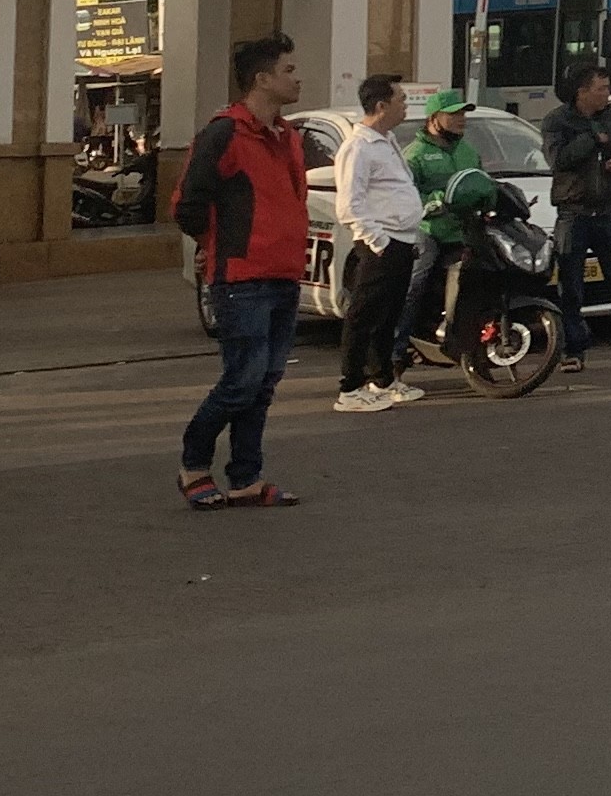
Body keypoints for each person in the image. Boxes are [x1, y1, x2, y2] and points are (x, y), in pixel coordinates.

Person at [174, 33, 313, 507]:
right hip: (241, 278)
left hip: (283, 274)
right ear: (262, 79)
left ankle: (246, 476)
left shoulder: (289, 136)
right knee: (241, 382)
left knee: (264, 384)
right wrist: (212, 244)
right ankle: (194, 463)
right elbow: (188, 203)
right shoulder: (224, 134)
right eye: (289, 70)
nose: (297, 78)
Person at [540, 54, 611, 373]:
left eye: (608, 87)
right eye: (601, 88)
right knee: (571, 286)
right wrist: (592, 139)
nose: (608, 93)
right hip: (573, 213)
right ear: (582, 91)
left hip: (607, 211)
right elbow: (558, 160)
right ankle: (573, 350)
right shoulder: (557, 121)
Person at [332, 73, 428, 414]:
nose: (405, 106)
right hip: (380, 244)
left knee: (388, 315)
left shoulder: (386, 140)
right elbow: (349, 205)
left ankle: (383, 379)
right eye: (401, 99)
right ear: (381, 106)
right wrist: (379, 241)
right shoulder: (358, 147)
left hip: (401, 240)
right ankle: (350, 387)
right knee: (364, 314)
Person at [400, 88, 482, 358]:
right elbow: (406, 197)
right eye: (454, 114)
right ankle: (398, 348)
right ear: (433, 118)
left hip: (463, 232)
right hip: (429, 232)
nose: (461, 119)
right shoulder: (414, 155)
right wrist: (434, 203)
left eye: (463, 113)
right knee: (417, 280)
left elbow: (482, 185)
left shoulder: (469, 153)